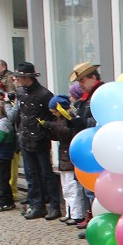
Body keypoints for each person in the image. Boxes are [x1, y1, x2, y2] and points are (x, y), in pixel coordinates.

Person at [6, 61, 60, 220]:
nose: (17, 80)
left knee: (46, 174)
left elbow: (51, 117)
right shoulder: (21, 92)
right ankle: (37, 205)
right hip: (25, 139)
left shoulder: (44, 94)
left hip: (40, 140)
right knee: (31, 175)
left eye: (19, 77)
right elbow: (20, 116)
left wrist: (44, 131)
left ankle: (55, 206)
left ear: (27, 77)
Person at [68, 61, 103, 236]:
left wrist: (81, 122)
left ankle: (97, 223)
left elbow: (99, 121)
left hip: (97, 149)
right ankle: (91, 220)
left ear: (93, 77)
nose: (79, 84)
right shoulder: (85, 98)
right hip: (86, 149)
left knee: (96, 190)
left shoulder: (99, 94)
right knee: (88, 189)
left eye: (82, 80)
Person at [44, 94, 83, 224]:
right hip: (63, 154)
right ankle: (69, 211)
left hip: (69, 154)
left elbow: (66, 132)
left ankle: (77, 214)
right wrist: (47, 130)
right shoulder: (59, 120)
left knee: (73, 187)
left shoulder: (69, 118)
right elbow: (57, 135)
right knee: (66, 187)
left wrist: (51, 126)